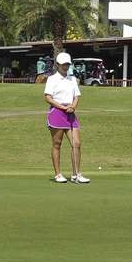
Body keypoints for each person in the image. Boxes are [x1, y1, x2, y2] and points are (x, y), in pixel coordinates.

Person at [43, 51, 90, 184]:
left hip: (70, 113)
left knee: (76, 143)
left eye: (67, 64)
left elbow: (76, 96)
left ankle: (76, 174)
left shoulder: (72, 79)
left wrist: (73, 107)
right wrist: (63, 107)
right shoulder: (52, 79)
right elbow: (48, 97)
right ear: (57, 65)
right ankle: (58, 174)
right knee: (57, 144)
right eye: (63, 64)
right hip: (57, 112)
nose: (66, 66)